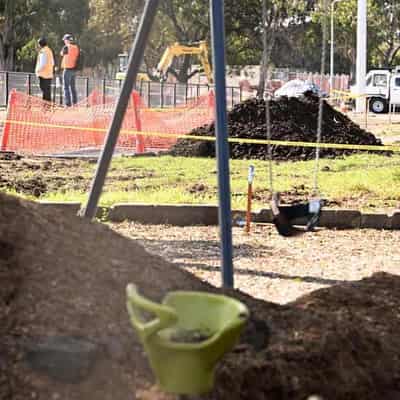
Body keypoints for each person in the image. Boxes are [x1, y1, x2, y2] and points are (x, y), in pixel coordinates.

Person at [60, 34, 80, 106]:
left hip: (67, 69)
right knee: (73, 87)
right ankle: (75, 103)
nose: (64, 41)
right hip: (73, 69)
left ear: (67, 40)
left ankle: (68, 104)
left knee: (66, 87)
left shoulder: (66, 47)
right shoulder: (76, 47)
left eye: (64, 40)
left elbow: (61, 54)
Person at [35, 37, 55, 102]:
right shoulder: (49, 50)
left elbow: (42, 63)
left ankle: (45, 107)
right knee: (47, 92)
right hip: (49, 74)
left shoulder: (42, 51)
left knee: (44, 91)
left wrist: (37, 70)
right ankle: (48, 107)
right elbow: (52, 63)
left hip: (43, 75)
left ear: (40, 44)